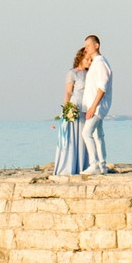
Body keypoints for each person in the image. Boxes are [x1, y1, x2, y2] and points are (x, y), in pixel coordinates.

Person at [77, 35, 113, 173]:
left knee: (87, 133)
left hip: (97, 106)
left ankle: (94, 164)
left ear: (96, 46)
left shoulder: (101, 63)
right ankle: (102, 165)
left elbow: (102, 87)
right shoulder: (95, 63)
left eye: (88, 45)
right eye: (85, 46)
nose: (86, 48)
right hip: (94, 105)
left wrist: (93, 107)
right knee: (98, 135)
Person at [53, 46, 91, 175]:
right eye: (87, 59)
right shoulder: (72, 73)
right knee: (72, 137)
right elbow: (68, 92)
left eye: (90, 60)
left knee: (84, 136)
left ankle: (83, 165)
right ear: (80, 58)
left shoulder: (90, 73)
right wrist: (66, 109)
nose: (89, 62)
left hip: (86, 107)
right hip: (75, 105)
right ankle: (69, 166)